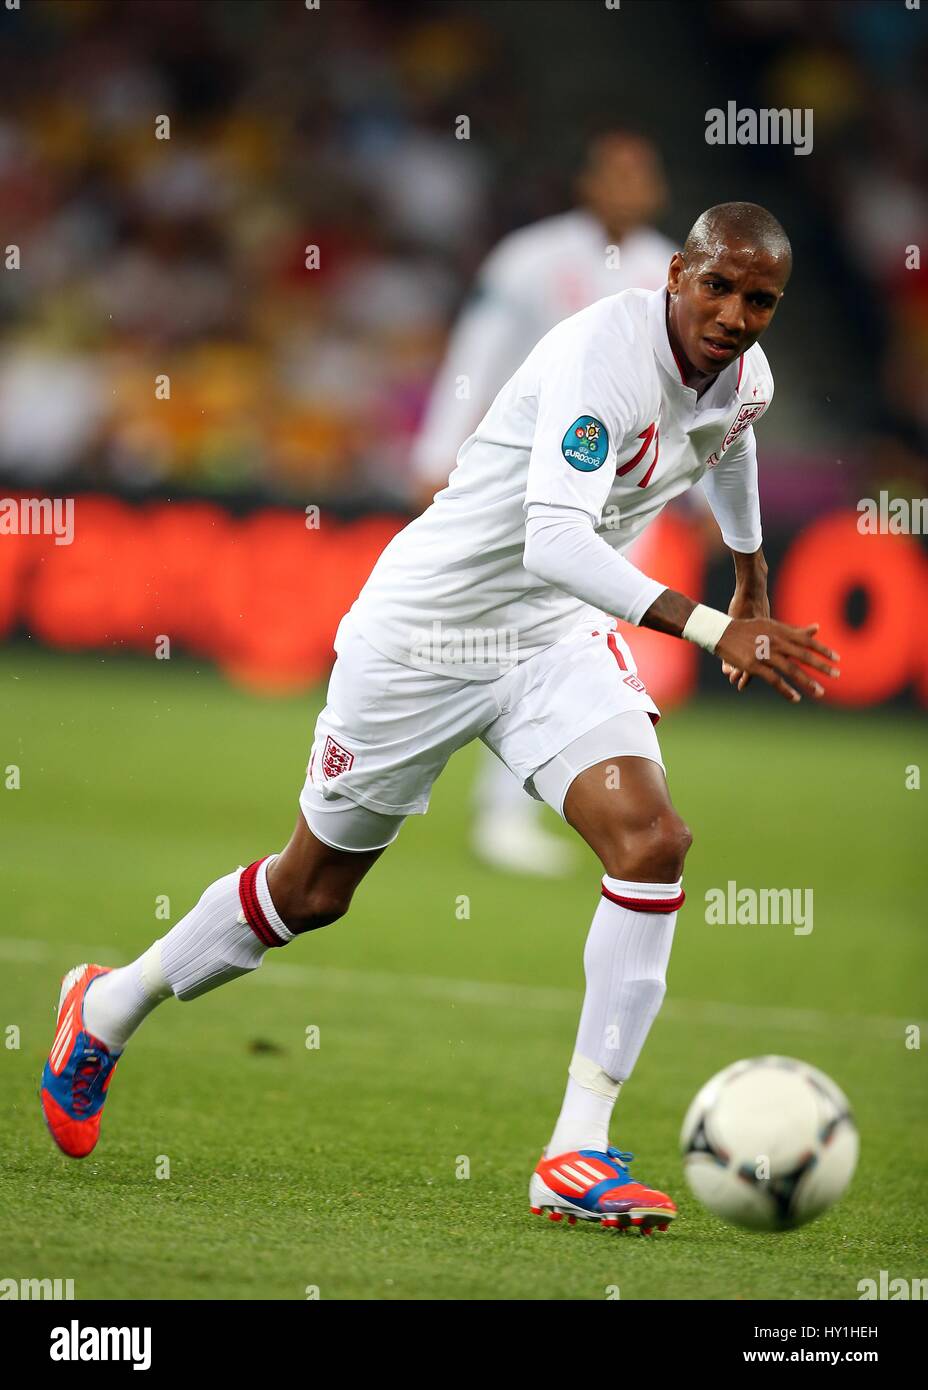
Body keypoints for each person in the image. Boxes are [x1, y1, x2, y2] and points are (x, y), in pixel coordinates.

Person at [42, 203, 840, 1234]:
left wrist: (752, 579)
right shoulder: (604, 353)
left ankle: (574, 1152)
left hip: (550, 639)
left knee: (653, 843)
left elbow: (730, 442)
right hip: (425, 636)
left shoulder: (749, 380)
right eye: (718, 287)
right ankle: (106, 1004)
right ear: (676, 273)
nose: (735, 315)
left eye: (760, 300)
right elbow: (554, 538)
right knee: (312, 890)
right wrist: (709, 627)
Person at [413, 130, 677, 875]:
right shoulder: (531, 257)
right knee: (485, 630)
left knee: (571, 647)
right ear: (587, 182)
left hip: (627, 497)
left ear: (654, 191)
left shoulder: (675, 271)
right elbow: (478, 352)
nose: (626, 189)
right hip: (524, 485)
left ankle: (514, 807)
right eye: (613, 174)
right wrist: (436, 452)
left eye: (639, 176)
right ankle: (402, 767)